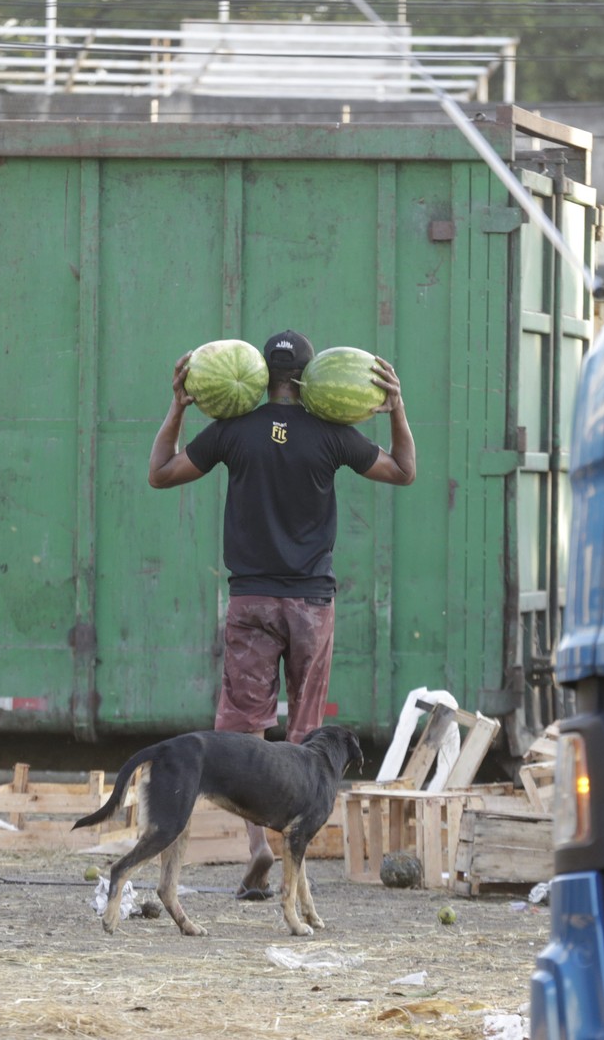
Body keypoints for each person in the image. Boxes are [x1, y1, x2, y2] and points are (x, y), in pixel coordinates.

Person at [147, 330, 415, 899]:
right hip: (311, 602)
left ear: (258, 372)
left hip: (251, 599)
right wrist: (396, 410)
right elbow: (403, 471)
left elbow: (161, 472)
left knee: (244, 728)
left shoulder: (233, 430)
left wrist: (177, 405)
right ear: (311, 377)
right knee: (305, 733)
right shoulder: (332, 434)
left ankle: (258, 848)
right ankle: (297, 855)